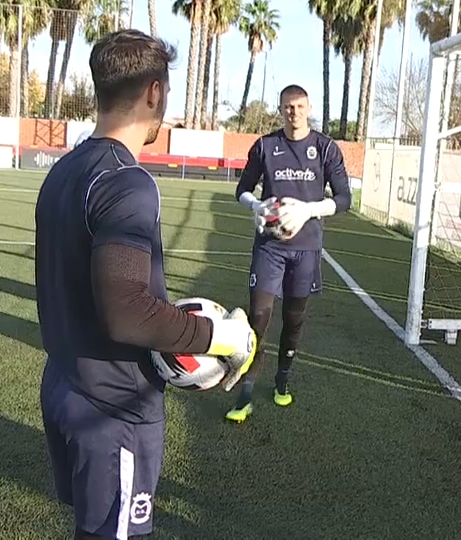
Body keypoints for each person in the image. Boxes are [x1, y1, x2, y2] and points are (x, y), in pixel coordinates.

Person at [35, 29, 254, 540]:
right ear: (154, 92)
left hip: (66, 385)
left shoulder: (63, 170)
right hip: (114, 412)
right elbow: (127, 311)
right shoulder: (125, 180)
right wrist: (223, 340)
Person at [226, 84, 352, 423]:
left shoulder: (325, 149)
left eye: (298, 106)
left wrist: (308, 210)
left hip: (306, 250)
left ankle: (282, 378)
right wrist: (255, 205)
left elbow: (343, 199)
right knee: (259, 319)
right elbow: (242, 189)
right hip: (269, 248)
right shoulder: (266, 146)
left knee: (294, 320)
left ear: (308, 108)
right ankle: (247, 391)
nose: (292, 112)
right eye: (286, 107)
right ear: (280, 110)